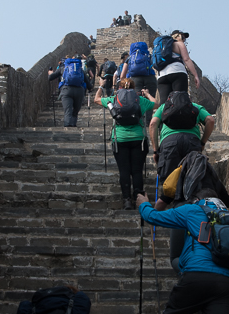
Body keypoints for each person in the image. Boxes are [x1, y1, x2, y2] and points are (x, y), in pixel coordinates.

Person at [95, 78, 155, 209]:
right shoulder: (140, 100)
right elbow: (156, 103)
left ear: (119, 88)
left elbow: (96, 99)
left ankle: (127, 200)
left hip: (120, 139)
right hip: (139, 140)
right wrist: (147, 94)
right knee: (137, 171)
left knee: (124, 170)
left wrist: (101, 87)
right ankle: (139, 199)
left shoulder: (114, 99)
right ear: (133, 88)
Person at [149, 93, 215, 186]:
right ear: (189, 99)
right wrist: (202, 143)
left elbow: (153, 124)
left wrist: (155, 150)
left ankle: (169, 199)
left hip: (169, 143)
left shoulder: (164, 107)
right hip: (192, 142)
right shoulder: (195, 107)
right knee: (193, 179)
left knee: (169, 182)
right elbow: (210, 120)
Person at [154, 29, 200, 104]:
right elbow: (186, 59)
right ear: (178, 36)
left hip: (162, 75)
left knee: (164, 102)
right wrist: (196, 75)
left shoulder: (161, 47)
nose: (184, 40)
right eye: (183, 37)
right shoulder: (179, 44)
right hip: (177, 72)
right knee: (180, 99)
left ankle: (161, 115)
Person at [57, 55, 87, 127]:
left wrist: (50, 73)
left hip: (66, 90)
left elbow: (50, 77)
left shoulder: (63, 68)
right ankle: (73, 125)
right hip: (79, 91)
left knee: (68, 111)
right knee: (75, 111)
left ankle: (67, 128)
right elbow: (88, 84)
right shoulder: (80, 70)